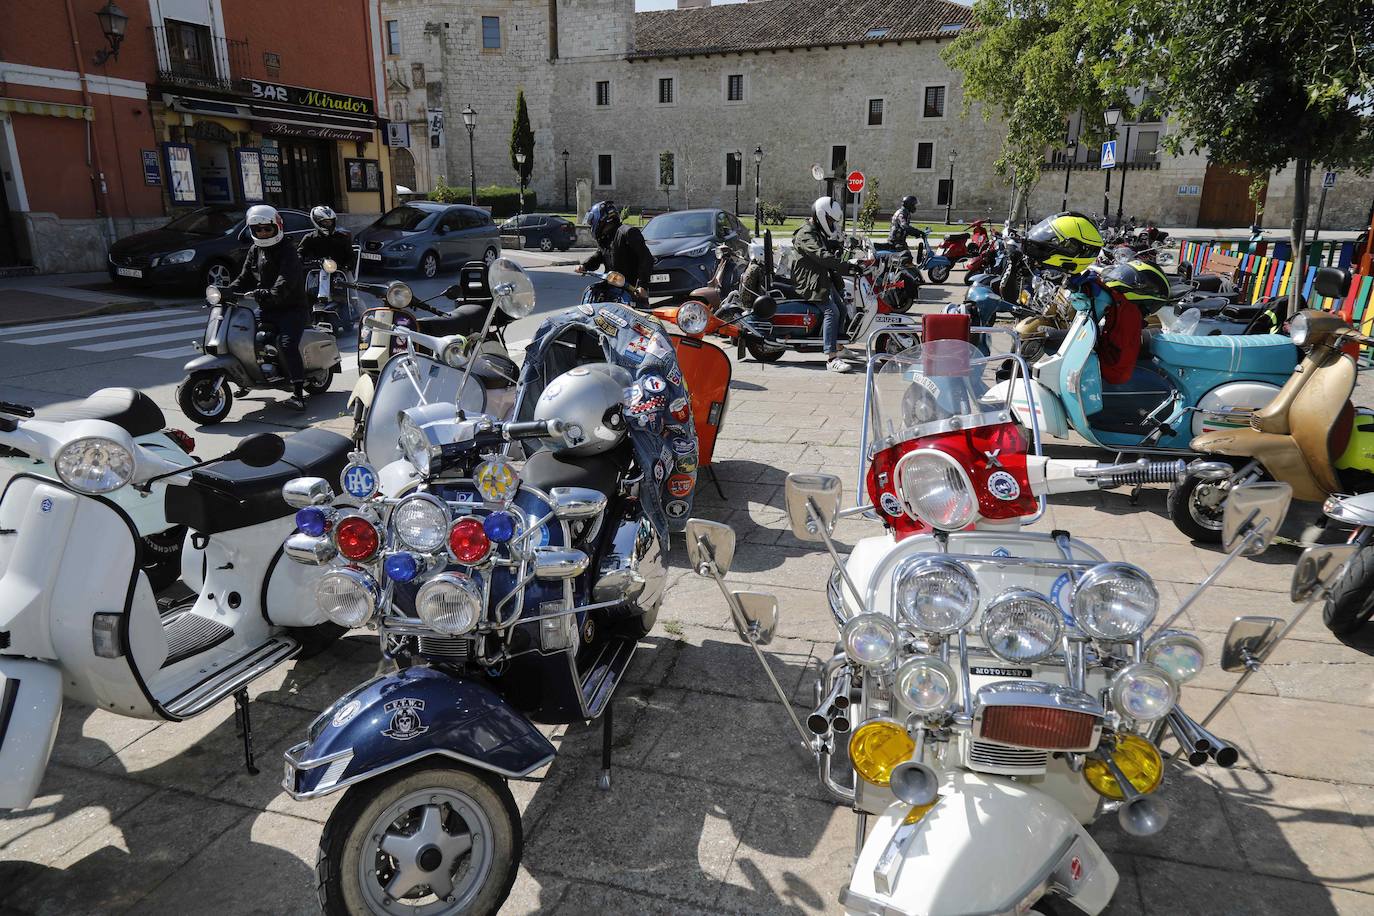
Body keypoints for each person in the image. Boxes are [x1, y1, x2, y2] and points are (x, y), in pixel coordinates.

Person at [232, 204, 309, 410]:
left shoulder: (287, 250)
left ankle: (298, 393)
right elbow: (245, 276)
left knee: (286, 344)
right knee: (243, 336)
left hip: (292, 308)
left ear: (277, 226)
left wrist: (272, 293)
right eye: (258, 230)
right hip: (267, 307)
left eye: (267, 229)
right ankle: (247, 379)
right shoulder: (255, 249)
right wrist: (226, 291)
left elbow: (286, 279)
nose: (263, 233)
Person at [792, 196, 859, 372]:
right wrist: (846, 266)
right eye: (829, 219)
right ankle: (831, 358)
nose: (831, 224)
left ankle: (837, 345)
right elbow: (820, 255)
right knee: (832, 311)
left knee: (843, 309)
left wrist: (843, 244)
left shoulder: (816, 231)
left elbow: (827, 246)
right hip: (809, 280)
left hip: (820, 277)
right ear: (821, 216)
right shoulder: (806, 234)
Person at [575, 201, 653, 299]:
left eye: (592, 223)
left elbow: (646, 258)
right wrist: (585, 266)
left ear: (603, 219)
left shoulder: (628, 232)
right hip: (613, 289)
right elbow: (599, 255)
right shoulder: (605, 238)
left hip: (632, 291)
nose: (591, 226)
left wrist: (642, 285)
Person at [887, 195, 921, 260]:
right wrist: (917, 232)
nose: (915, 207)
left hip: (899, 240)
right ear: (909, 205)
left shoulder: (905, 212)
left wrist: (916, 233)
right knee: (907, 257)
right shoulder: (901, 214)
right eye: (913, 205)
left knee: (907, 257)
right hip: (896, 242)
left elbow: (904, 228)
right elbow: (904, 226)